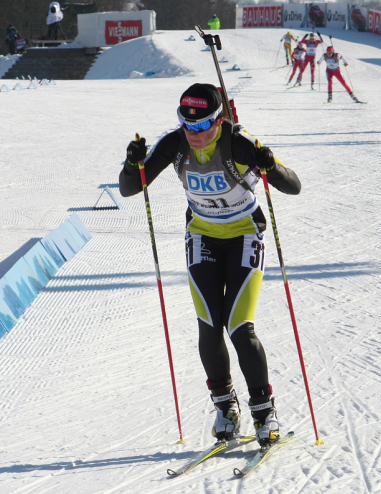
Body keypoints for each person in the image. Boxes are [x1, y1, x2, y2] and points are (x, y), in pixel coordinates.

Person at [119, 83, 302, 447]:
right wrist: (132, 161)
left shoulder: (239, 144)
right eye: (189, 127)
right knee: (208, 324)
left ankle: (264, 412)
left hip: (245, 235)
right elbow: (130, 188)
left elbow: (292, 186)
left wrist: (270, 166)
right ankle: (226, 408)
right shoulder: (175, 144)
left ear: (219, 121)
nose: (196, 134)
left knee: (239, 326)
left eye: (203, 126)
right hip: (202, 236)